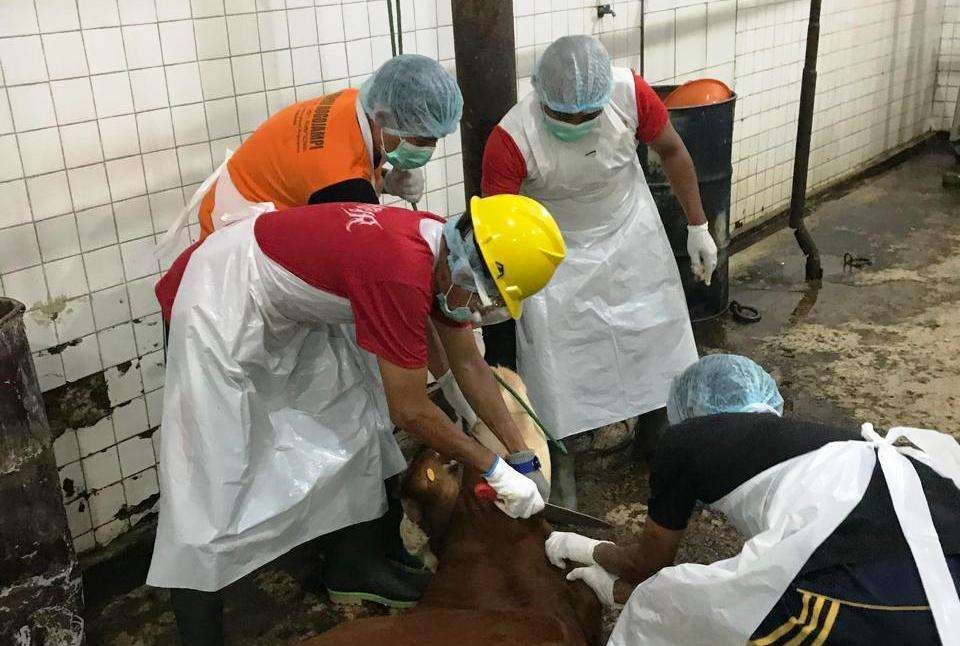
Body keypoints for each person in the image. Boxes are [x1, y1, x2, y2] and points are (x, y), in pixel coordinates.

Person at [148, 194, 565, 645]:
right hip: (221, 299)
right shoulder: (401, 272)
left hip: (286, 310)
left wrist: (521, 454)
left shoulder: (442, 249)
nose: (480, 312)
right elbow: (408, 409)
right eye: (485, 300)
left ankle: (353, 566)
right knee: (206, 486)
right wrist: (492, 466)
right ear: (466, 267)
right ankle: (199, 633)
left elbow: (468, 365)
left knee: (352, 429)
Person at [155, 54, 482, 437]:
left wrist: (385, 180)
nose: (427, 150)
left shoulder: (353, 107)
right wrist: (455, 393)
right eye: (421, 139)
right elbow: (399, 305)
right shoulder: (342, 184)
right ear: (385, 119)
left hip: (245, 250)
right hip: (224, 294)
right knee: (256, 433)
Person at [544, 354, 960, 645]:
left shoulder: (686, 440)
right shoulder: (822, 442)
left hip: (886, 590)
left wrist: (593, 556)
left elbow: (650, 566)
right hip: (942, 555)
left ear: (688, 411)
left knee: (673, 606)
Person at [480, 35, 715, 507]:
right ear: (541, 99)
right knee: (557, 363)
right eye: (564, 117)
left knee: (653, 337)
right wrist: (501, 287)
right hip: (553, 253)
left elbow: (671, 151)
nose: (576, 124)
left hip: (631, 234)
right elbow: (497, 221)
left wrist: (698, 225)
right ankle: (560, 461)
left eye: (586, 115)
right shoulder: (512, 137)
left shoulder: (630, 94)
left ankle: (657, 433)